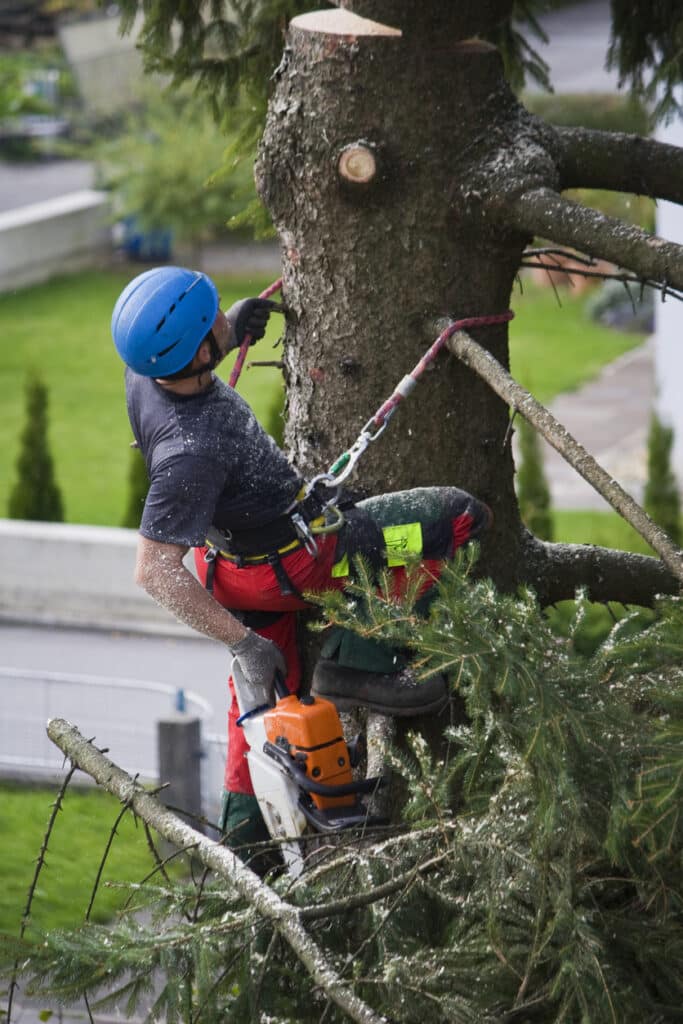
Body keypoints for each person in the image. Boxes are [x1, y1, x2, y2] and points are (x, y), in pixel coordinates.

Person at [112, 265, 492, 860]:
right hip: (300, 566)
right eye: (211, 321)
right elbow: (153, 570)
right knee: (453, 519)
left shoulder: (144, 371)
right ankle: (363, 662)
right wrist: (241, 642)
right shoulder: (191, 451)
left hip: (234, 572)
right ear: (193, 352)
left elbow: (187, 355)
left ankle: (246, 848)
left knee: (258, 713)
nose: (220, 319)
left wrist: (231, 332)